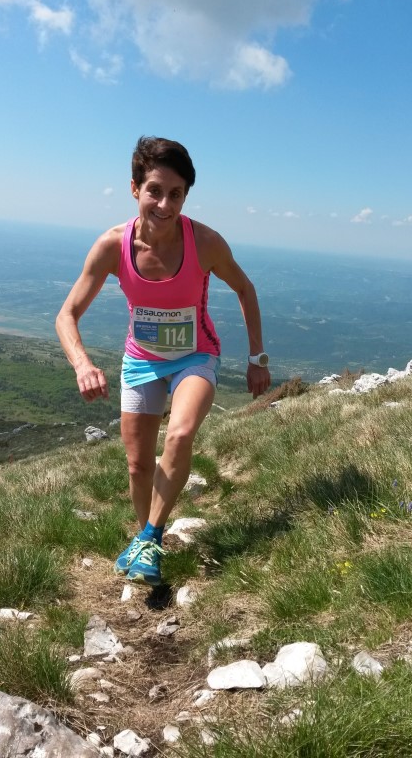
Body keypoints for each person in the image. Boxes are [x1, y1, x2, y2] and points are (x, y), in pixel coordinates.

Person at [56, 136, 271, 586]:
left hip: (196, 355)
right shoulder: (112, 246)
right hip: (141, 360)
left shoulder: (205, 242)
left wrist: (257, 357)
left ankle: (150, 537)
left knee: (181, 432)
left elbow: (245, 288)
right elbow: (67, 314)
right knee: (137, 465)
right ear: (135, 188)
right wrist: (82, 364)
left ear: (186, 196)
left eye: (176, 194)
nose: (165, 204)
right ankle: (147, 548)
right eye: (155, 190)